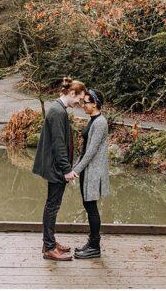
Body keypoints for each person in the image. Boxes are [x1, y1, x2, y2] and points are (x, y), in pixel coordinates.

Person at [32, 77, 87, 261]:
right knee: (52, 206)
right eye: (79, 99)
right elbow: (58, 144)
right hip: (55, 167)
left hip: (56, 166)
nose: (79, 103)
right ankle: (49, 248)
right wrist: (66, 169)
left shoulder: (59, 109)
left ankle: (50, 241)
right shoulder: (57, 111)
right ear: (72, 93)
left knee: (52, 205)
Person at [67, 89, 110, 259]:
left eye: (85, 102)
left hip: (94, 172)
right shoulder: (93, 120)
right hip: (88, 170)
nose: (82, 105)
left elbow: (91, 152)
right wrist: (77, 168)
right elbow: (85, 149)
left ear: (95, 103)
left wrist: (75, 171)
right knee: (88, 206)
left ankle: (95, 247)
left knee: (91, 208)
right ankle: (91, 242)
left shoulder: (100, 123)